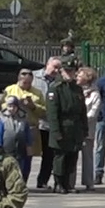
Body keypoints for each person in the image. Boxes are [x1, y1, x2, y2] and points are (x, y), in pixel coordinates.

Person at [49, 58, 87, 193]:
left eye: (71, 71)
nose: (69, 73)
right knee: (60, 157)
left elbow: (82, 111)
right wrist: (56, 132)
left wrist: (84, 130)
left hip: (75, 127)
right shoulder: (55, 88)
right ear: (61, 71)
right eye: (67, 71)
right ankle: (58, 183)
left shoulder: (77, 88)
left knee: (72, 157)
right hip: (62, 127)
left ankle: (68, 183)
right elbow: (52, 114)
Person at [34, 56, 62, 190]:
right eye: (54, 67)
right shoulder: (34, 77)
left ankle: (42, 181)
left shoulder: (59, 81)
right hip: (35, 122)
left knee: (48, 155)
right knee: (28, 154)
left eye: (58, 68)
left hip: (49, 124)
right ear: (47, 64)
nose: (56, 70)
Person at [0, 94, 34, 178]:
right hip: (7, 149)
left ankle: (20, 184)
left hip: (20, 149)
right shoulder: (2, 119)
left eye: (13, 106)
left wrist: (29, 145)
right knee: (6, 168)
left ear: (17, 107)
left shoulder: (24, 118)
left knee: (21, 168)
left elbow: (28, 133)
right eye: (9, 106)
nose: (11, 109)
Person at [77, 62, 102, 191]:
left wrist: (81, 118)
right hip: (74, 129)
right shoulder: (75, 90)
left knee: (87, 156)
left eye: (80, 76)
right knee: (72, 156)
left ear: (87, 78)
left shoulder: (95, 94)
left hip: (87, 129)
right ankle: (69, 182)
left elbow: (94, 112)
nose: (77, 77)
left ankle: (88, 182)